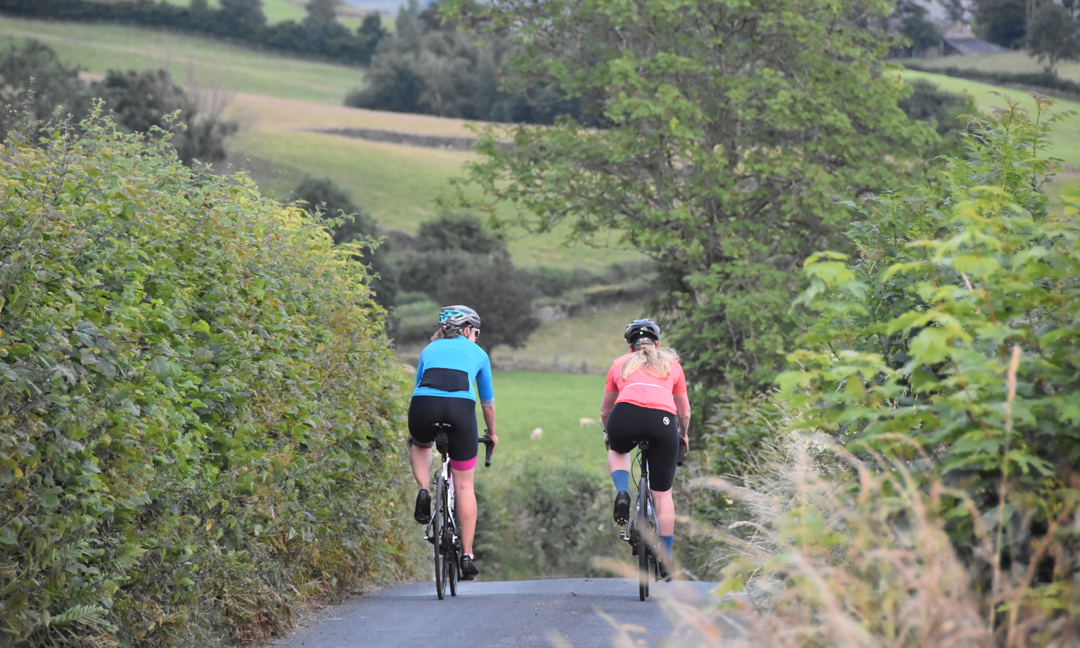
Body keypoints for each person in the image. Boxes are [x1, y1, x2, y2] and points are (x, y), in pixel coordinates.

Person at [407, 305, 498, 580]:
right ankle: (467, 554)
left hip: (424, 405)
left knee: (420, 444)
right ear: (468, 330)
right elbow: (488, 403)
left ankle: (424, 489)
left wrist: (415, 431)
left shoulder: (428, 350)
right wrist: (491, 433)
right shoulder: (479, 354)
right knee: (465, 484)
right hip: (461, 408)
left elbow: (418, 389)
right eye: (475, 333)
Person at [600, 319, 690, 577]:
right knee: (663, 496)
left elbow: (606, 410)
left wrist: (609, 432)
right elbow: (683, 412)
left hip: (624, 416)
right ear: (658, 344)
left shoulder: (620, 364)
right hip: (662, 422)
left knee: (618, 450)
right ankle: (666, 559)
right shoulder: (672, 365)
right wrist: (683, 435)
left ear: (630, 348)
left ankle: (622, 493)